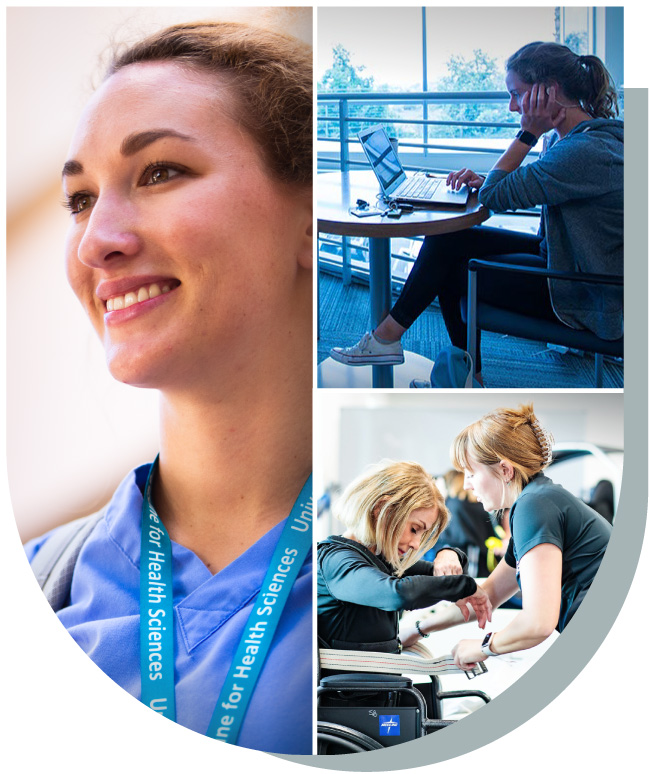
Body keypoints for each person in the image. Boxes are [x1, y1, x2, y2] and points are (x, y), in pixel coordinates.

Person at [24, 20, 313, 754]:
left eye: (159, 172)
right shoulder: (38, 585)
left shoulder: (406, 572)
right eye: (80, 200)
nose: (97, 241)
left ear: (314, 214)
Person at [330, 42, 623, 381]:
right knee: (449, 239)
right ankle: (409, 349)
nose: (513, 107)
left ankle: (422, 356)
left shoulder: (582, 151)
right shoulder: (579, 138)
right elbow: (519, 186)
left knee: (451, 271)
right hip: (565, 260)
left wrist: (528, 132)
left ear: (549, 92)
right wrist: (485, 181)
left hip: (588, 294)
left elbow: (496, 196)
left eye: (517, 94)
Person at [400, 404, 612, 670]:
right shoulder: (537, 499)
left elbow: (538, 622)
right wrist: (418, 629)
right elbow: (486, 595)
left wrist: (483, 647)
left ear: (505, 470)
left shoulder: (533, 505)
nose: (466, 484)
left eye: (471, 473)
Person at [318, 460, 492, 658]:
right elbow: (398, 594)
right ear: (382, 509)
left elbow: (437, 575)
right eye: (414, 529)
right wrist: (464, 586)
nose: (416, 545)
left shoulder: (379, 559)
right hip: (352, 688)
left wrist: (450, 555)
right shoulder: (336, 560)